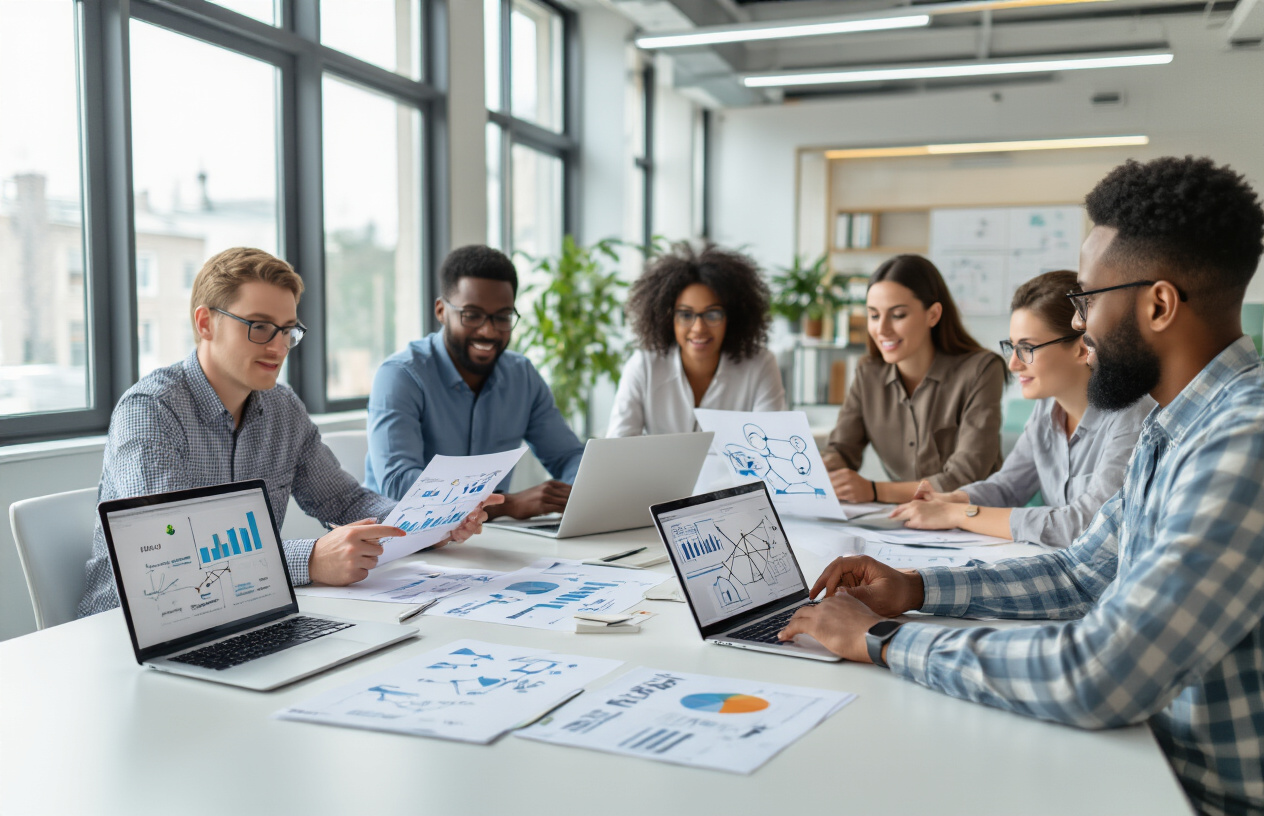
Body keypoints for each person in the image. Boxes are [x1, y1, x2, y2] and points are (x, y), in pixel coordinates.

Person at [780, 156, 1264, 816]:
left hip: (1195, 795)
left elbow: (1100, 674)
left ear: (1158, 304)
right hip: (1141, 756)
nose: (1083, 326)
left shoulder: (1245, 441)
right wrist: (916, 589)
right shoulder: (1178, 425)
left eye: (1087, 301)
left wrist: (879, 640)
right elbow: (1082, 575)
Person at [79, 248, 497, 617]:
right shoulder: (151, 411)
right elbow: (167, 555)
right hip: (131, 626)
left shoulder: (282, 408)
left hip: (244, 610)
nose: (278, 347)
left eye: (287, 330)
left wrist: (430, 523)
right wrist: (311, 560)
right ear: (206, 323)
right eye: (259, 326)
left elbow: (346, 500)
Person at [889, 270, 1152, 547]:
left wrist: (959, 514)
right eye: (1011, 347)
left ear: (1082, 347)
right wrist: (953, 499)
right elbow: (1007, 486)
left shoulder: (1131, 416)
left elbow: (1084, 525)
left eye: (1027, 348)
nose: (1013, 364)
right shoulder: (1047, 409)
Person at [365, 245, 584, 520]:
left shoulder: (522, 376)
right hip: (403, 543)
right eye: (472, 315)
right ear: (442, 311)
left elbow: (568, 457)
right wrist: (506, 504)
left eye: (502, 317)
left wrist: (581, 492)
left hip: (486, 541)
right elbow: (399, 485)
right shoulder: (401, 376)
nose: (488, 330)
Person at [822, 254, 1006, 505]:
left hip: (974, 520)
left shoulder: (982, 370)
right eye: (874, 315)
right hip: (907, 525)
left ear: (933, 314)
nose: (882, 329)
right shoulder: (868, 374)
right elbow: (843, 449)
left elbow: (966, 476)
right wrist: (822, 466)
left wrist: (875, 491)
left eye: (897, 315)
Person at [607, 243, 786, 437]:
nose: (699, 328)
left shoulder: (760, 365)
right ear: (667, 319)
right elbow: (618, 444)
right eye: (685, 315)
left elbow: (772, 446)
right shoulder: (644, 366)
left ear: (731, 317)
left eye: (712, 314)